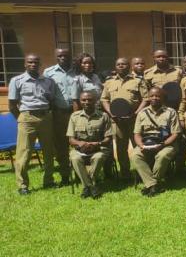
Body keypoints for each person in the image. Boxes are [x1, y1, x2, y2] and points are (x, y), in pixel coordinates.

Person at [9, 54, 62, 194]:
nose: (33, 64)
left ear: (40, 64)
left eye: (36, 62)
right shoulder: (17, 81)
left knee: (49, 151)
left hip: (45, 118)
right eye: (30, 62)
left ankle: (49, 181)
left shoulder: (48, 81)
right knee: (24, 152)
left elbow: (50, 100)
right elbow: (12, 105)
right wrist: (22, 118)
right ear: (25, 64)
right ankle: (22, 185)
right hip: (27, 118)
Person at [100, 57, 148, 176]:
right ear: (115, 67)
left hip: (134, 120)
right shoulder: (109, 81)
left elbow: (146, 99)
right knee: (121, 149)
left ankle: (141, 172)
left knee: (139, 146)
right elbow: (104, 99)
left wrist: (136, 113)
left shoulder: (138, 80)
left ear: (129, 66)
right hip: (117, 121)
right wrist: (111, 113)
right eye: (118, 64)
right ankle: (125, 173)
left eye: (124, 64)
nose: (121, 66)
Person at [131, 87, 181, 197]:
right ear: (148, 97)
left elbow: (175, 134)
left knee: (162, 156)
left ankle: (150, 184)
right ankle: (153, 185)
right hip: (146, 144)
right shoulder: (142, 113)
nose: (154, 98)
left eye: (158, 96)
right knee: (135, 155)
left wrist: (162, 145)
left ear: (162, 98)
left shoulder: (170, 112)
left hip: (166, 144)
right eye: (152, 96)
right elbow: (137, 134)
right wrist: (141, 145)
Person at [67, 91, 114, 199]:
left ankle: (86, 187)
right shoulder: (74, 116)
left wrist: (98, 143)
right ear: (80, 101)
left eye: (90, 100)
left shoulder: (103, 116)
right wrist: (80, 143)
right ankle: (91, 186)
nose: (87, 102)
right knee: (75, 158)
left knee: (99, 157)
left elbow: (108, 138)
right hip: (80, 149)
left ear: (95, 101)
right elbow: (71, 139)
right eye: (84, 100)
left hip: (98, 148)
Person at [43, 48, 78, 186]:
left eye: (65, 55)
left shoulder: (77, 71)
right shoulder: (49, 72)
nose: (63, 58)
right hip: (59, 114)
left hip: (76, 113)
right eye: (60, 55)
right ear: (56, 57)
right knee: (61, 147)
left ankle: (81, 174)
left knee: (78, 142)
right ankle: (65, 176)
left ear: (70, 57)